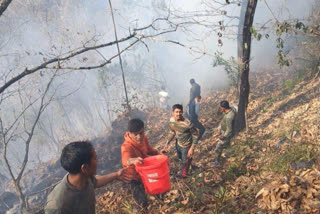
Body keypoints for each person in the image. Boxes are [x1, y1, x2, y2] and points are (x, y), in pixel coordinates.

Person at [45, 141, 124, 214]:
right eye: (95, 158)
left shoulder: (85, 178)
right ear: (84, 168)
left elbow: (96, 181)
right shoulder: (57, 206)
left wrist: (116, 175)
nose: (97, 161)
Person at [121, 118, 160, 208]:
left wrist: (159, 153)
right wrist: (133, 160)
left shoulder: (144, 138)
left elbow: (150, 150)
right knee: (141, 203)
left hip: (145, 173)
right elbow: (125, 160)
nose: (139, 137)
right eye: (136, 134)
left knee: (158, 191)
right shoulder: (126, 146)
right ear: (130, 134)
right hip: (132, 179)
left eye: (141, 133)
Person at [161, 104, 199, 178]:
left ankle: (182, 175)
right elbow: (172, 132)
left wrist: (192, 148)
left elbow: (196, 135)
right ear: (173, 112)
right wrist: (167, 143)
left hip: (186, 146)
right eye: (176, 112)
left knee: (185, 162)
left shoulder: (187, 123)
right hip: (178, 144)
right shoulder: (171, 120)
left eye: (180, 112)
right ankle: (190, 166)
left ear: (182, 112)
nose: (178, 114)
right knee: (181, 159)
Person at [212, 100, 237, 167]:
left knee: (218, 147)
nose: (220, 109)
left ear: (223, 108)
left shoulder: (229, 117)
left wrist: (224, 136)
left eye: (221, 107)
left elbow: (229, 129)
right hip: (224, 131)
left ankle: (217, 161)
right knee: (227, 146)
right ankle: (230, 156)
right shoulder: (228, 111)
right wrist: (219, 128)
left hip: (226, 134)